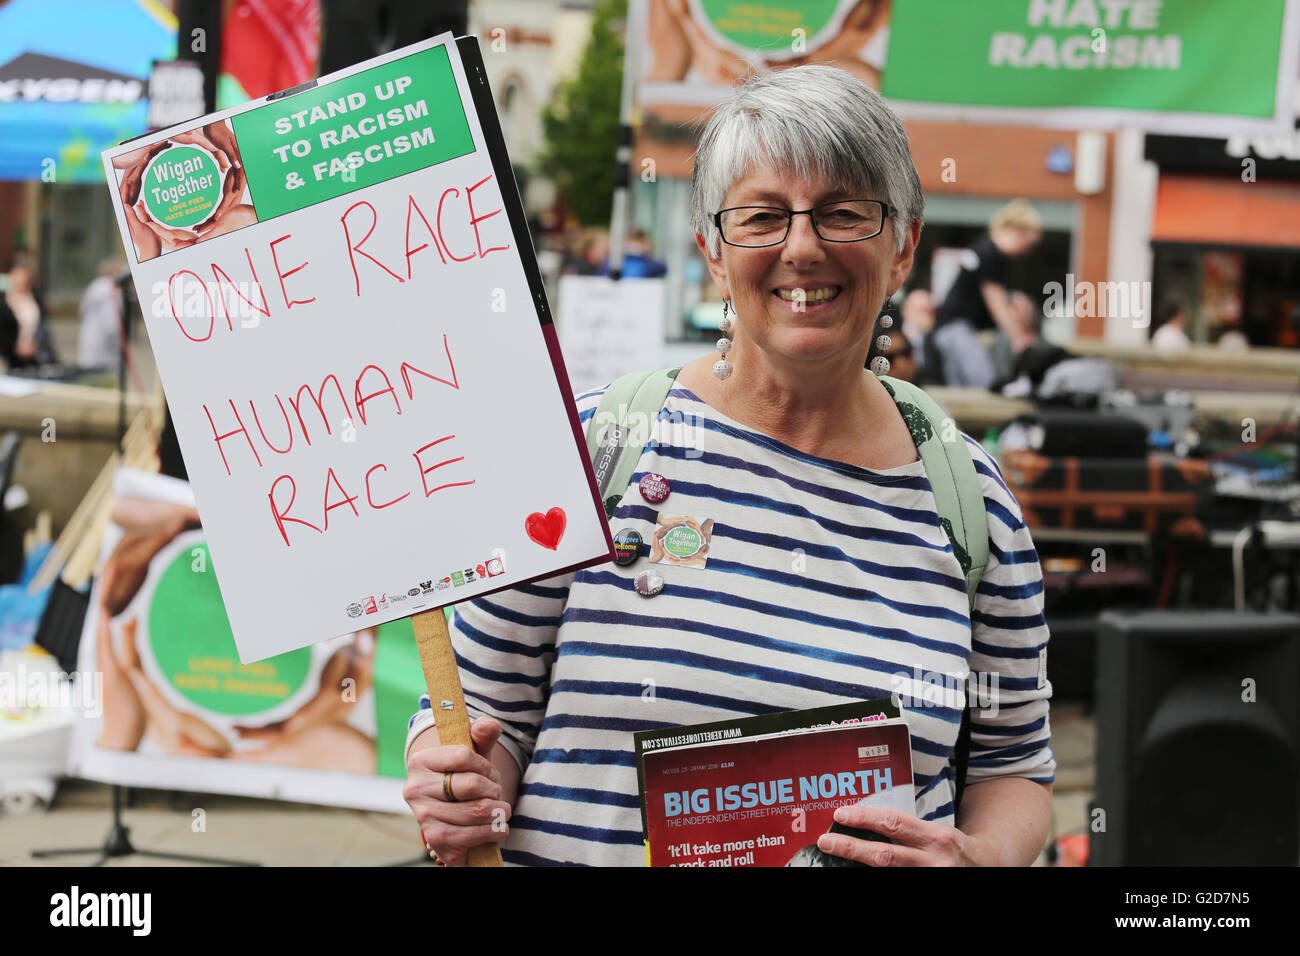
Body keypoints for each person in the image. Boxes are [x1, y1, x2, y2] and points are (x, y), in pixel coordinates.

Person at [404, 65, 1055, 867]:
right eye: (763, 217)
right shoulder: (592, 445)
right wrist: (459, 790)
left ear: (904, 247)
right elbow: (480, 716)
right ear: (714, 250)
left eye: (844, 214)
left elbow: (1014, 765)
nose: (803, 248)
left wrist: (977, 860)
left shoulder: (973, 503)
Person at [931, 200, 1042, 388]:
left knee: (960, 388)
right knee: (982, 382)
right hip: (956, 327)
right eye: (1028, 244)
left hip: (951, 327)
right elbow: (996, 303)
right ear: (1017, 231)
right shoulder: (992, 254)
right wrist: (1018, 338)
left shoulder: (986, 250)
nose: (1027, 252)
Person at [0, 252, 57, 370]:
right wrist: (15, 348)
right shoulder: (3, 303)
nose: (21, 278)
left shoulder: (36, 297)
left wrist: (36, 345)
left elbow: (44, 325)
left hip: (37, 355)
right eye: (18, 274)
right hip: (12, 358)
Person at [77, 257, 127, 370]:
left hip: (90, 339)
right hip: (106, 349)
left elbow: (81, 311)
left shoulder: (95, 285)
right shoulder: (112, 289)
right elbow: (113, 325)